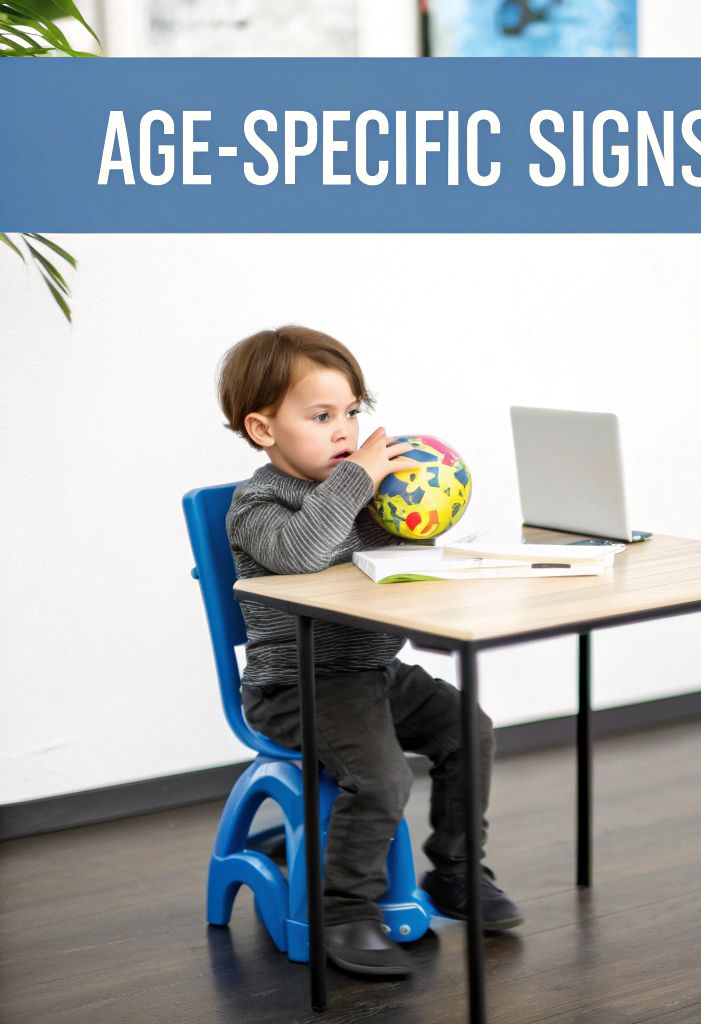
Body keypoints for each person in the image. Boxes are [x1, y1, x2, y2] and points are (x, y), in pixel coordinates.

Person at [218, 325, 523, 977]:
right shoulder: (258, 505)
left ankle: (458, 871)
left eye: (353, 413)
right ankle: (345, 910)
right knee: (383, 776)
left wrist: (421, 508)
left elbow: (398, 564)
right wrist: (359, 480)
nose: (344, 432)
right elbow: (303, 554)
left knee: (469, 729)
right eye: (322, 416)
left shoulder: (358, 496)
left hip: (372, 673)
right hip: (295, 685)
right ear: (264, 429)